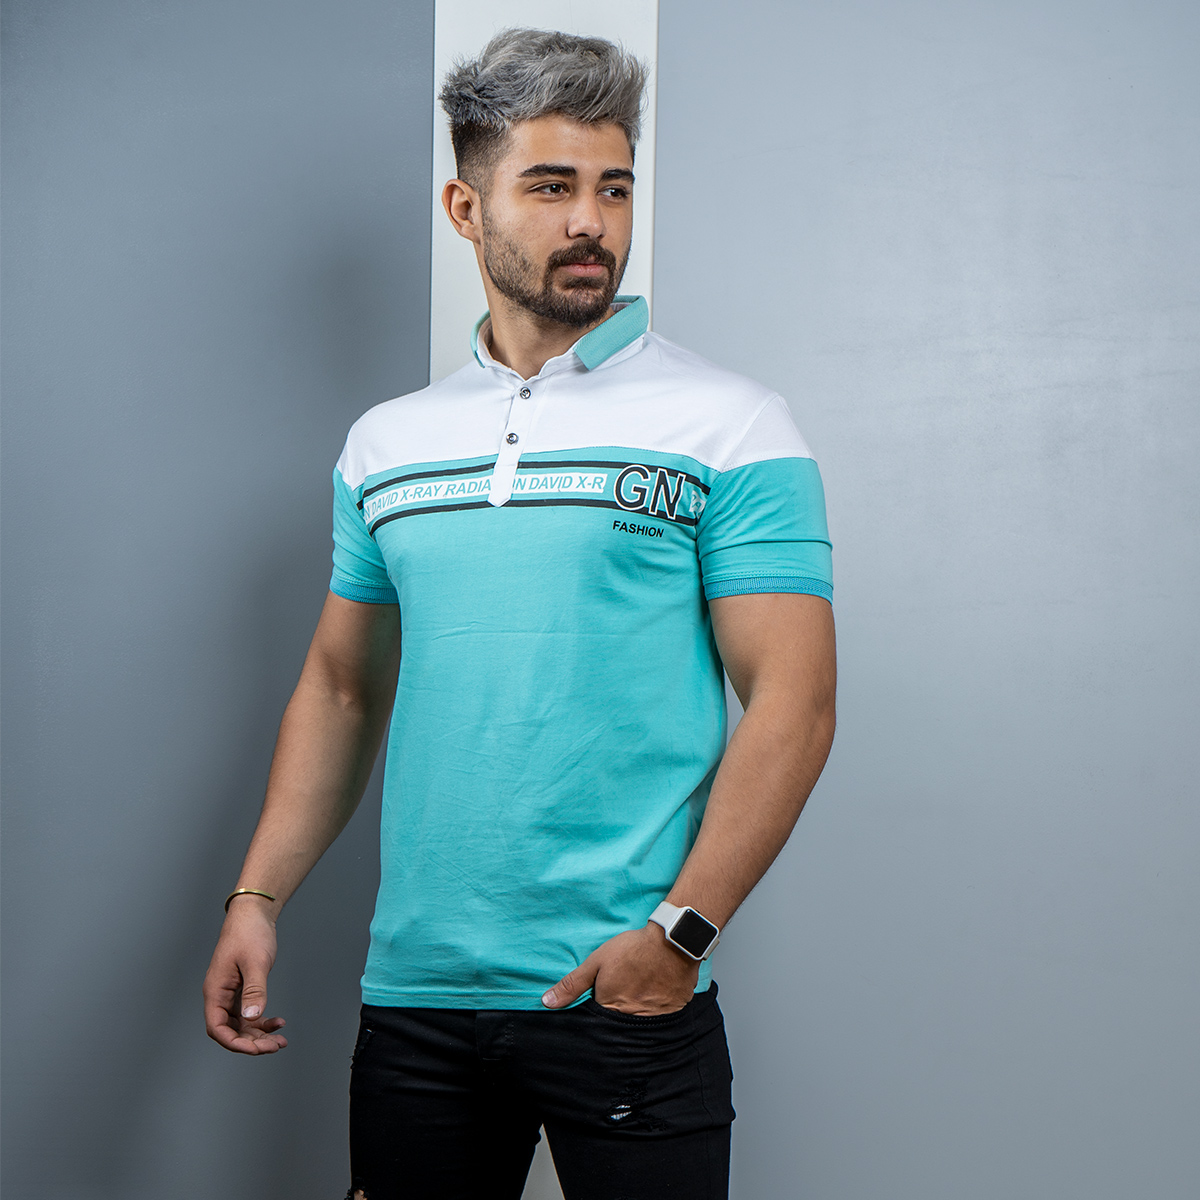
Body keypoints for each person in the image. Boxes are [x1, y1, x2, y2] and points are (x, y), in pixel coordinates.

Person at [203, 27, 836, 1200]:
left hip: (627, 993)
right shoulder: (386, 444)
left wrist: (680, 937)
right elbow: (341, 690)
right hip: (418, 1001)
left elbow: (793, 701)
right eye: (550, 188)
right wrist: (257, 898)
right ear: (466, 207)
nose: (592, 221)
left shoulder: (733, 424)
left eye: (614, 188)